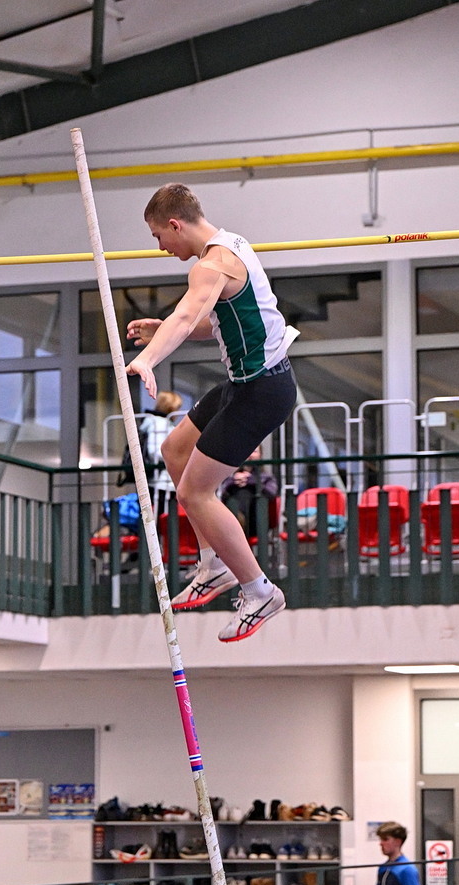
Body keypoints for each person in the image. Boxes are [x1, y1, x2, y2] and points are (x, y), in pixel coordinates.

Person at [125, 183, 297, 642]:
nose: (160, 247)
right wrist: (161, 328)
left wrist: (147, 359)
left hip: (262, 390)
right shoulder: (231, 244)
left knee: (194, 492)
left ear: (175, 224)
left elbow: (186, 318)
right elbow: (217, 320)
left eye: (159, 236)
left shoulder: (211, 264)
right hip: (247, 383)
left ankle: (260, 591)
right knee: (175, 450)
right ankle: (213, 564)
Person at [219, 445, 279, 539]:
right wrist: (233, 482)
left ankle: (239, 521)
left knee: (245, 492)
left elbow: (271, 494)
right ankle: (239, 520)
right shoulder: (230, 477)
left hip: (257, 522)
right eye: (247, 450)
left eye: (254, 451)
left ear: (260, 455)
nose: (250, 454)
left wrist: (252, 481)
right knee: (237, 495)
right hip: (232, 519)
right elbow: (221, 494)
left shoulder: (266, 477)